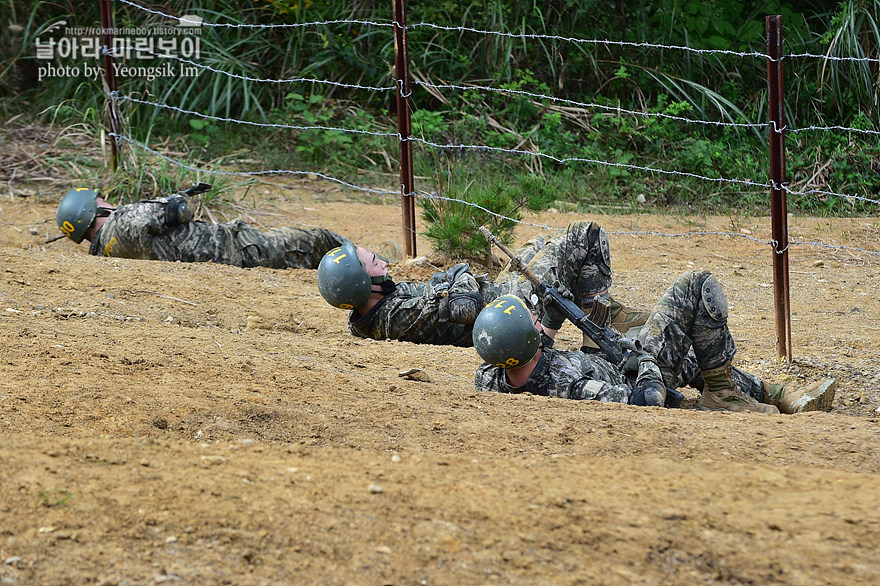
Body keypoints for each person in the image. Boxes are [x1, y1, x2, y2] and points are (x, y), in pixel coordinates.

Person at [472, 276, 837, 414]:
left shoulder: (493, 374)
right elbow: (645, 401)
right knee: (695, 287)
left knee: (685, 351)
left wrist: (552, 315)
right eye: (533, 322)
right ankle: (726, 396)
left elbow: (531, 363)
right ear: (523, 339)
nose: (538, 323)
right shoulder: (575, 387)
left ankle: (772, 392)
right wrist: (643, 361)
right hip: (636, 376)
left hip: (608, 361)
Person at [316, 220, 647, 347]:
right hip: (504, 307)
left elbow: (447, 279)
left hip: (493, 295)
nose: (385, 263)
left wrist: (459, 278)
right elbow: (465, 306)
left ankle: (602, 311)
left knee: (541, 244)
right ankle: (598, 333)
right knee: (584, 235)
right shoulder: (396, 316)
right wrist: (460, 280)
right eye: (374, 263)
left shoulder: (380, 303)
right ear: (361, 286)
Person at [56, 186, 345, 269]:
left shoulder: (103, 259)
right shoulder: (123, 219)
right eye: (100, 199)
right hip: (237, 247)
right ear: (94, 211)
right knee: (317, 240)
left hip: (226, 261)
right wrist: (178, 196)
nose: (108, 200)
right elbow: (180, 212)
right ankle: (369, 264)